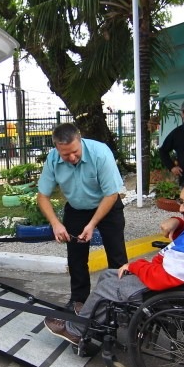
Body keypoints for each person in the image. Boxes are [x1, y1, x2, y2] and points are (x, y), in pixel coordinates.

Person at [45, 170, 184, 344]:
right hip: (178, 277)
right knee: (109, 274)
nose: (182, 208)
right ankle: (94, 315)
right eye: (181, 201)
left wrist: (136, 266)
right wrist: (178, 221)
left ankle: (76, 331)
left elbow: (164, 278)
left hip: (172, 288)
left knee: (109, 285)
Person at [36, 123, 127, 311]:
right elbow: (42, 196)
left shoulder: (100, 153)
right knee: (76, 259)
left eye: (75, 152)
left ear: (80, 140)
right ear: (56, 148)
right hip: (76, 209)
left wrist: (92, 224)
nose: (71, 157)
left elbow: (111, 194)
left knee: (116, 256)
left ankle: (121, 300)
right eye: (65, 154)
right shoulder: (53, 159)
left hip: (107, 205)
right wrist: (55, 224)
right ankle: (79, 301)